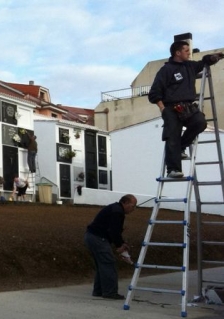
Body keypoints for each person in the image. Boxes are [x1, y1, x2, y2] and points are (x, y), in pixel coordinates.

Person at [148, 41, 223, 178]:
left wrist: (214, 57)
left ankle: (181, 147)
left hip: (188, 107)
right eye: (186, 51)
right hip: (171, 107)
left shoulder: (190, 66)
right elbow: (154, 93)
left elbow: (203, 62)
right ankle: (173, 169)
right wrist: (163, 109)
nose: (189, 53)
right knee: (172, 137)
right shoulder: (166, 70)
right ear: (178, 53)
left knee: (200, 122)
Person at [84, 195, 137, 299]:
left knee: (101, 264)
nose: (133, 209)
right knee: (108, 263)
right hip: (98, 238)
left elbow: (114, 230)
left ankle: (98, 290)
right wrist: (120, 246)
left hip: (91, 236)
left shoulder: (114, 208)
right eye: (132, 206)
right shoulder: (117, 212)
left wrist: (121, 242)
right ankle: (110, 292)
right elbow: (113, 231)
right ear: (125, 203)